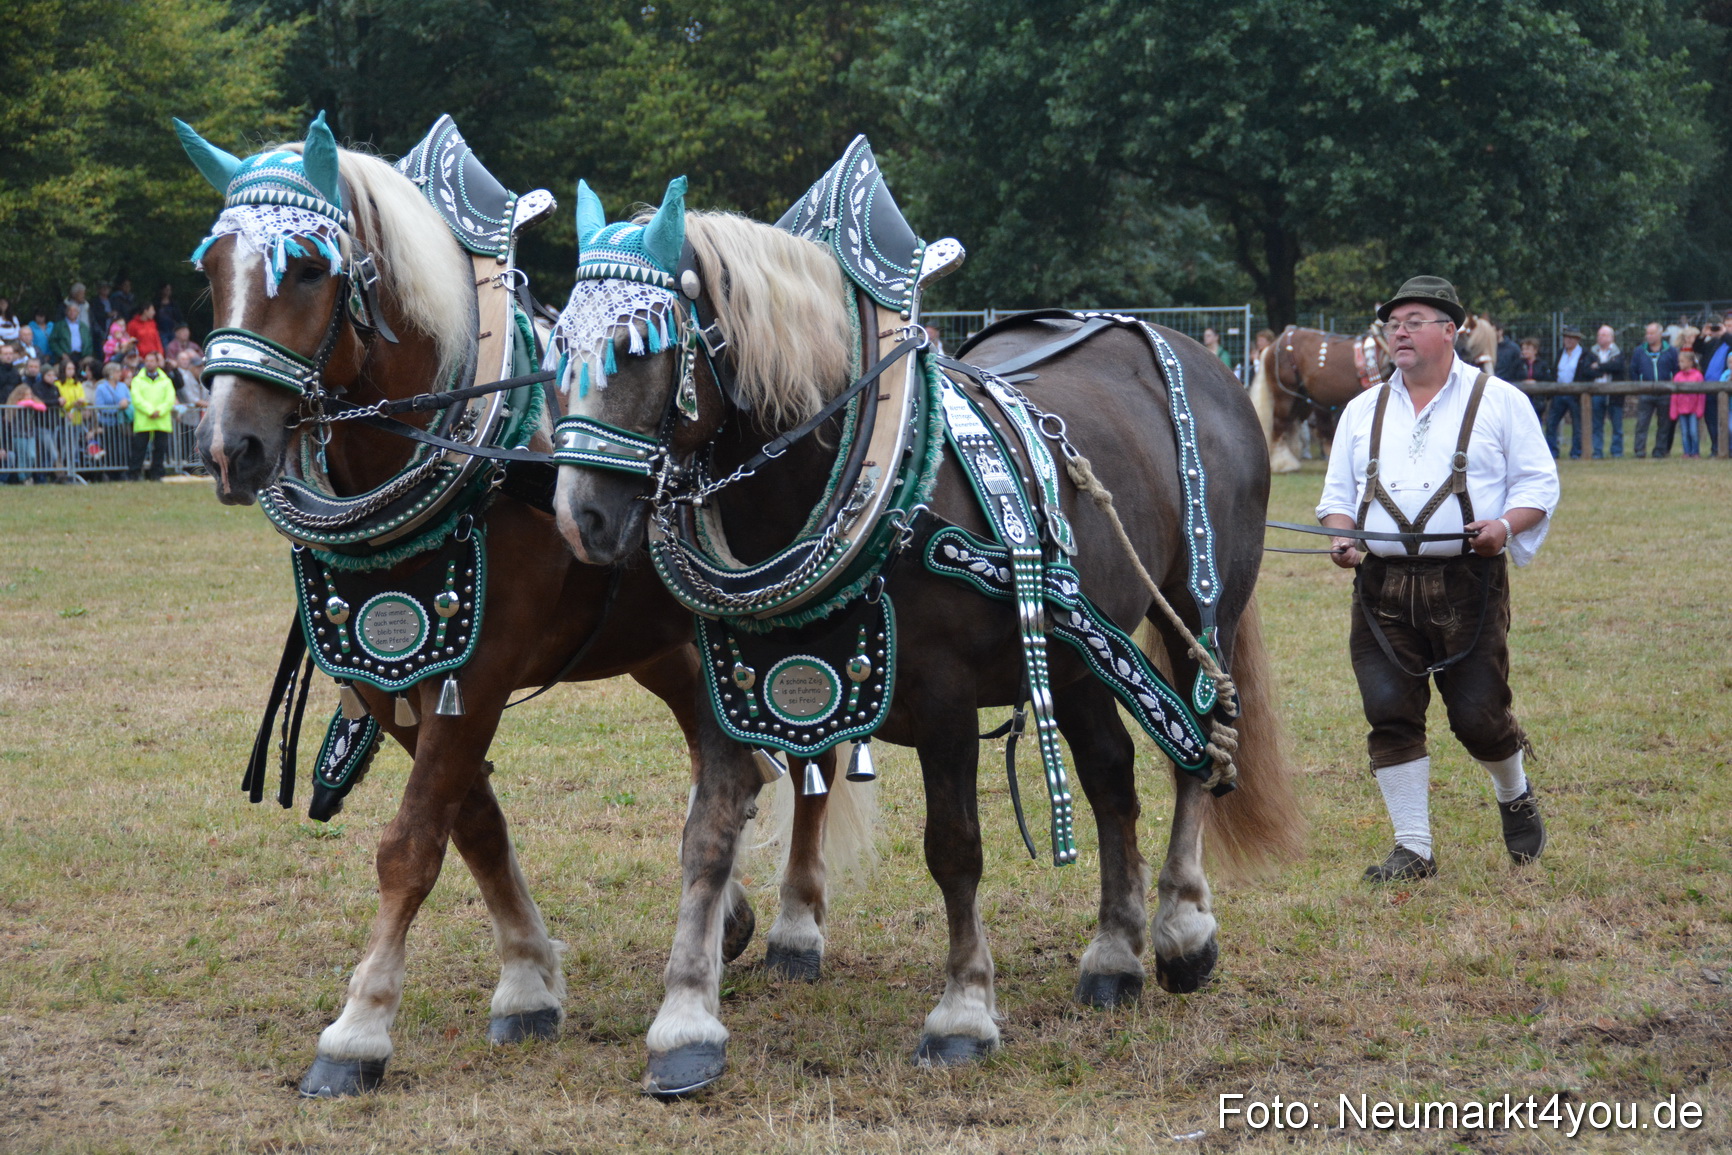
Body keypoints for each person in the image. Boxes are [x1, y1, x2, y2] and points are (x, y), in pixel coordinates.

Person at [1316, 276, 1558, 883]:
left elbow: (1539, 485)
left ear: (1449, 331)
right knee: (1388, 710)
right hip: (1381, 587)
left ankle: (1514, 792)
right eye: (1393, 322)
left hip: (1468, 583)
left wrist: (1505, 525)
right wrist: (1343, 537)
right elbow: (1337, 498)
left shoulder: (1499, 399)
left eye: (1415, 319)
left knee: (1479, 716)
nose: (1399, 330)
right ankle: (1414, 848)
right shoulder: (1360, 409)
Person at [1627, 322, 1678, 458]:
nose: (1648, 336)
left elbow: (1676, 369)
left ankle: (1660, 451)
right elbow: (1633, 369)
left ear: (1660, 334)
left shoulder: (1671, 351)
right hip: (1645, 393)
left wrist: (1672, 385)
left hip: (1665, 393)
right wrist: (1639, 385)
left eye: (1652, 333)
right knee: (1642, 423)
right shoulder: (1639, 351)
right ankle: (1639, 450)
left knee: (1664, 424)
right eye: (1647, 333)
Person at [129, 351, 176, 481]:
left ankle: (156, 474)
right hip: (144, 420)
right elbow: (136, 398)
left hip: (161, 420)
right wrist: (150, 411)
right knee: (139, 449)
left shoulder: (166, 380)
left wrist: (159, 411)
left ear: (157, 362)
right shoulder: (137, 380)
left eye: (152, 360)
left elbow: (169, 399)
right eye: (147, 361)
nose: (149, 363)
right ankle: (134, 474)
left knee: (160, 449)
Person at [1583, 325, 1625, 459]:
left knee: (1617, 425)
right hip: (1596, 393)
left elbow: (1618, 367)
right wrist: (1606, 368)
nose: (1600, 337)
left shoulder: (1618, 352)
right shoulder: (1592, 352)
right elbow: (1587, 370)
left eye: (1604, 335)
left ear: (1611, 337)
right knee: (1596, 424)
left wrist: (1599, 366)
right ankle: (1597, 452)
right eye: (1599, 335)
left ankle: (1617, 452)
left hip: (1614, 394)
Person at [1545, 325, 1586, 459]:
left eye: (1570, 338)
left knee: (1577, 425)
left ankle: (1576, 452)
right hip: (1559, 393)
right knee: (1551, 423)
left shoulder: (1584, 354)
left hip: (1575, 394)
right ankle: (1552, 452)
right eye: (1565, 337)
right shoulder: (1560, 353)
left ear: (1576, 340)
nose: (1567, 340)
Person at [1671, 350, 1706, 459]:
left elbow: (1701, 395)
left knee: (1693, 432)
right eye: (1679, 361)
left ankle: (1695, 452)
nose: (1679, 364)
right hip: (1681, 409)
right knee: (1685, 432)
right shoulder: (1677, 377)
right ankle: (1687, 452)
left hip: (1693, 410)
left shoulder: (1698, 376)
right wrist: (1674, 409)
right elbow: (1674, 395)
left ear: (1690, 362)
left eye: (1682, 361)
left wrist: (1700, 409)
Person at [1512, 336, 1548, 420]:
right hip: (1521, 399)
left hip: (1537, 400)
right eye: (1523, 349)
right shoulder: (1517, 364)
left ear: (1535, 350)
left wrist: (1536, 382)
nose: (1524, 352)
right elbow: (1512, 377)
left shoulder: (1542, 364)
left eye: (1527, 349)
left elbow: (1548, 379)